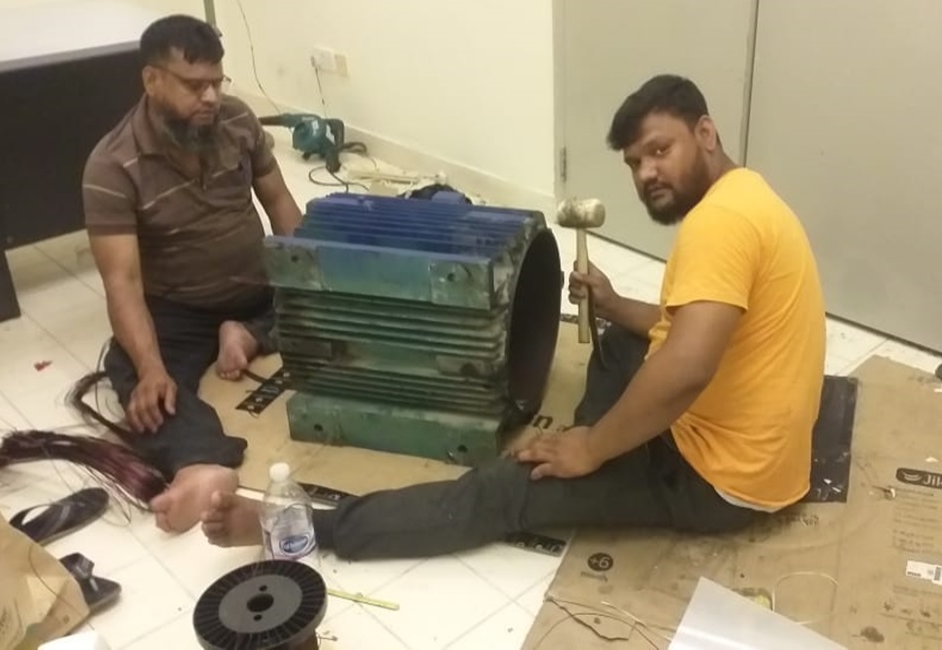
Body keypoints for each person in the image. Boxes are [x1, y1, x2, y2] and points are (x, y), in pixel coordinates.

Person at [200, 74, 827, 559]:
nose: (647, 173)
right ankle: (596, 453)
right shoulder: (747, 196)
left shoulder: (718, 224)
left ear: (706, 133)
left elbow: (687, 367)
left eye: (660, 150)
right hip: (767, 452)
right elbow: (686, 325)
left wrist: (592, 448)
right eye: (636, 162)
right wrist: (611, 305)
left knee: (505, 488)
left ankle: (313, 527)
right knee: (618, 341)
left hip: (719, 480)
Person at [82, 15, 302, 533]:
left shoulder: (237, 121)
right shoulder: (112, 166)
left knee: (344, 308)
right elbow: (122, 282)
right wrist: (151, 365)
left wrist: (310, 280)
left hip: (260, 288)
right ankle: (202, 460)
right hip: (183, 307)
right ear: (151, 79)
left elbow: (279, 202)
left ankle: (248, 332)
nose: (210, 98)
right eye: (194, 85)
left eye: (217, 83)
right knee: (137, 374)